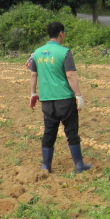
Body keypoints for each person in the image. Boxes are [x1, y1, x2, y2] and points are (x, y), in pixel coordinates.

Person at [29, 22, 90, 174]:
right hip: (64, 99)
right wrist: (78, 95)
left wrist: (33, 93)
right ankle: (79, 165)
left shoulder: (37, 53)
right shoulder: (64, 52)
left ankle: (46, 166)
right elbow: (70, 75)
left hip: (47, 100)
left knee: (49, 132)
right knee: (71, 132)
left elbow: (33, 74)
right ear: (61, 33)